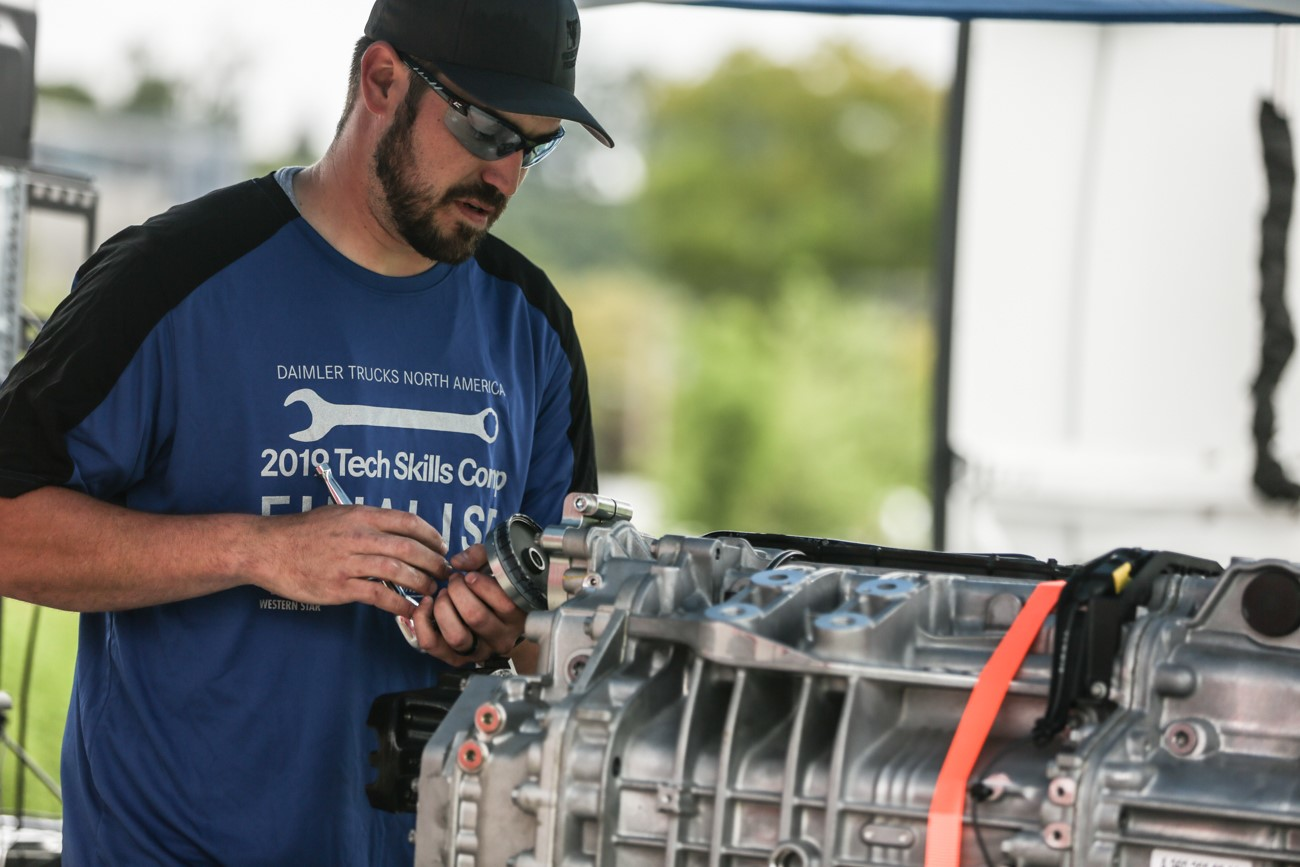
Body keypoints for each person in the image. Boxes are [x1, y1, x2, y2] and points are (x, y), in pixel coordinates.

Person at [0, 0, 612, 862]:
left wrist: (505, 629)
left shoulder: (534, 325)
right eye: (481, 128)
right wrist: (258, 548)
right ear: (380, 80)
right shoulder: (172, 276)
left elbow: (578, 623)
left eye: (533, 144)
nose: (504, 175)